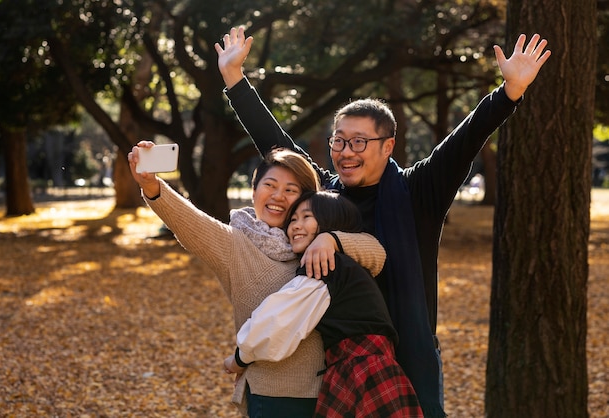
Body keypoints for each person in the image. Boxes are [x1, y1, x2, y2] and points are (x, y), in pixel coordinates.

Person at [215, 27, 551, 417]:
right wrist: (234, 80)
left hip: (408, 356)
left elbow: (465, 141)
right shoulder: (324, 196)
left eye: (359, 142)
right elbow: (276, 144)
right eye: (339, 141)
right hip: (336, 364)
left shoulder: (418, 191)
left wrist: (508, 92)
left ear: (388, 145)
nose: (345, 151)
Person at [128, 143, 386, 417]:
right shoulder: (235, 246)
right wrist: (153, 187)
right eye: (270, 185)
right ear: (254, 191)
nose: (278, 196)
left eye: (291, 190)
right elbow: (189, 222)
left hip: (336, 392)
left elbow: (377, 255)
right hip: (275, 396)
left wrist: (330, 239)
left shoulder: (313, 239)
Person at [224, 190, 424, 417]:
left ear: (331, 221)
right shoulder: (344, 265)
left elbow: (279, 321)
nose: (296, 226)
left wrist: (240, 358)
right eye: (293, 219)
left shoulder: (325, 264)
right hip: (365, 367)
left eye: (306, 217)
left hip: (362, 371)